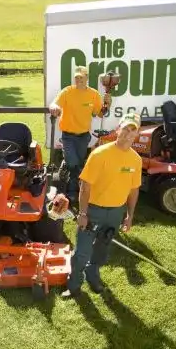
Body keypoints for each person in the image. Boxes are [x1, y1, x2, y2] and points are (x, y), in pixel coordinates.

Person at [62, 113, 142, 299]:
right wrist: (83, 213)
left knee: (102, 249)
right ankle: (73, 286)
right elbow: (85, 186)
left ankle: (93, 275)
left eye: (133, 130)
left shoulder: (136, 160)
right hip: (93, 210)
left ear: (136, 134)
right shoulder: (100, 154)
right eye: (126, 128)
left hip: (116, 212)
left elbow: (134, 190)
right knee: (82, 252)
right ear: (118, 129)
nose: (128, 133)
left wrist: (129, 215)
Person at [49, 65, 110, 204]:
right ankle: (71, 191)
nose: (78, 80)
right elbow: (55, 103)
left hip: (84, 136)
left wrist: (107, 106)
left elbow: (100, 113)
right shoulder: (67, 91)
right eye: (76, 77)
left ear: (87, 78)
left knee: (78, 164)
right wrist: (54, 107)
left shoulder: (93, 94)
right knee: (73, 162)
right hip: (68, 136)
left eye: (81, 77)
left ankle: (73, 190)